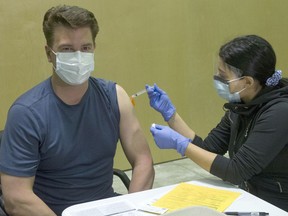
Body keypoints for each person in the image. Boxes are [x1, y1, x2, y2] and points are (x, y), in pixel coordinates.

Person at [0, 5, 154, 216]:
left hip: (106, 209)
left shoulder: (115, 98)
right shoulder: (26, 113)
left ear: (94, 48)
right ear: (49, 53)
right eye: (67, 49)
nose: (78, 56)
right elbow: (16, 198)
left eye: (85, 48)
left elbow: (143, 160)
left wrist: (132, 209)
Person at [146, 35, 288, 211]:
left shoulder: (280, 112)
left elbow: (236, 172)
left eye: (223, 76)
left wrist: (180, 145)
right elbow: (209, 150)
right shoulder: (242, 104)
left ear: (248, 81)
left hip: (277, 205)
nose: (218, 80)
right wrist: (171, 115)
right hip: (250, 198)